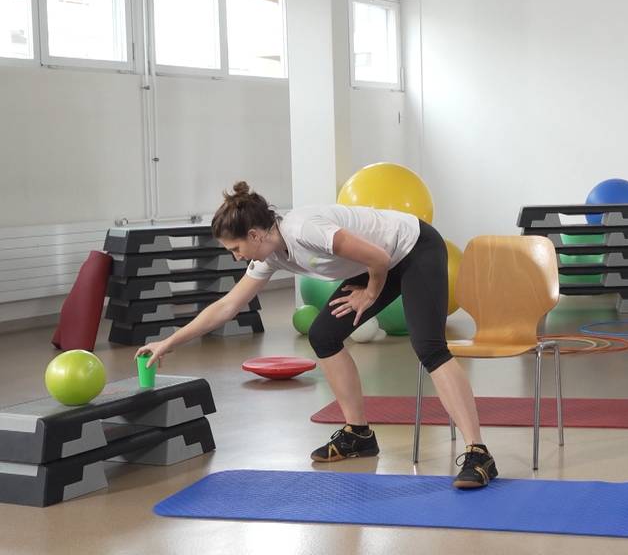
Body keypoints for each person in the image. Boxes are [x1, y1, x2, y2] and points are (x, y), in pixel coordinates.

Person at [136, 182, 498, 489]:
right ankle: (359, 434)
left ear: (254, 234)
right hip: (379, 261)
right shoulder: (267, 256)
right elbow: (227, 307)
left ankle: (479, 453)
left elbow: (376, 256)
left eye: (235, 248)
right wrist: (169, 342)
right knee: (324, 335)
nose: (235, 257)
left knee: (429, 346)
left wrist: (370, 294)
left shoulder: (304, 230)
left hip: (414, 247)